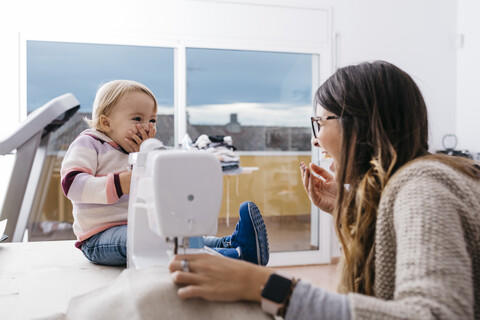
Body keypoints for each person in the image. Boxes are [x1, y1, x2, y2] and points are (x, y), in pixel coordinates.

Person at [169, 61, 480, 319]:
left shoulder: (422, 187)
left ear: (359, 123)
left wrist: (267, 285)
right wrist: (346, 210)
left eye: (319, 122)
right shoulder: (412, 183)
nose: (315, 140)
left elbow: (438, 315)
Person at [61, 80, 269, 267]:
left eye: (152, 121)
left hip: (144, 227)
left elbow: (171, 164)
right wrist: (122, 183)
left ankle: (233, 245)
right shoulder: (90, 143)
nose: (147, 126)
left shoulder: (149, 149)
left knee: (183, 236)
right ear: (106, 123)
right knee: (158, 241)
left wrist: (206, 157)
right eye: (137, 119)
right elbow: (72, 184)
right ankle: (231, 258)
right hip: (99, 236)